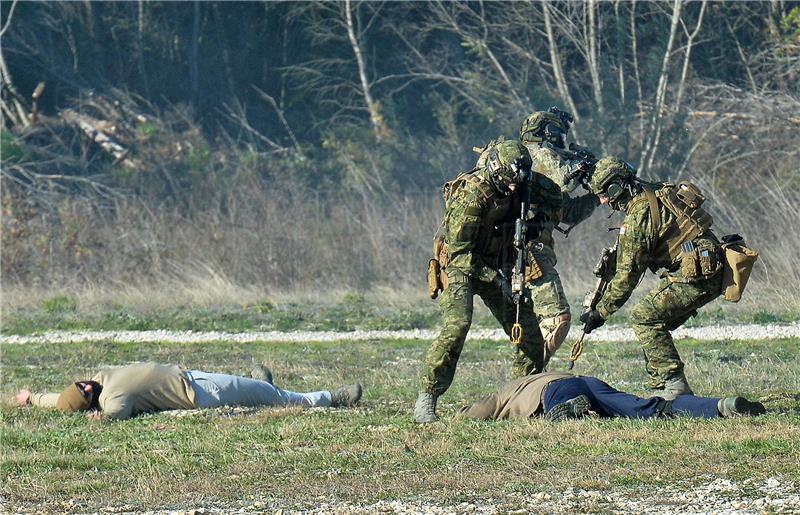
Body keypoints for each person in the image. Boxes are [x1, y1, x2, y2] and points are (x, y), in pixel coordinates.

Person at [580, 157, 735, 399]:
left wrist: (600, 313)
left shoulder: (639, 214)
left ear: (616, 187)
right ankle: (664, 385)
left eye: (604, 193)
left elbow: (627, 276)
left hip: (699, 272)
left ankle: (674, 388)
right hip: (706, 265)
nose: (602, 201)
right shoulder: (653, 191)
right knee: (654, 324)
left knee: (645, 318)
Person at [415, 140, 546, 424]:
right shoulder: (472, 197)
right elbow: (461, 254)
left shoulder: (523, 184)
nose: (514, 188)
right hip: (462, 267)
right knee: (458, 324)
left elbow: (557, 202)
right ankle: (427, 398)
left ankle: (525, 395)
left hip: (496, 263)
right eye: (508, 183)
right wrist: (495, 279)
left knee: (528, 329)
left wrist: (539, 223)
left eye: (518, 183)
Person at [516, 109, 602, 366]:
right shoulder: (539, 157)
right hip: (528, 252)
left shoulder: (537, 173)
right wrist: (583, 169)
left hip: (532, 251)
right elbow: (565, 181)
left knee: (534, 327)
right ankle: (526, 383)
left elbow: (568, 212)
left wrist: (597, 197)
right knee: (557, 319)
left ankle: (523, 386)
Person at [13, 361, 363, 420]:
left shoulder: (100, 379)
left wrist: (31, 399)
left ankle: (263, 386)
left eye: (81, 383)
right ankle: (332, 398)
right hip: (203, 394)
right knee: (277, 399)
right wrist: (99, 419)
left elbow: (61, 403)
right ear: (92, 401)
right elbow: (114, 415)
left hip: (194, 375)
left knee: (255, 388)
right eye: (85, 390)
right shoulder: (112, 399)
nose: (86, 384)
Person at [459, 371, 767, 421]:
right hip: (588, 382)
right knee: (651, 409)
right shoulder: (543, 373)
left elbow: (479, 411)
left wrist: (461, 415)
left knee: (559, 414)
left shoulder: (508, 391)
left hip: (557, 392)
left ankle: (568, 413)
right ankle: (720, 406)